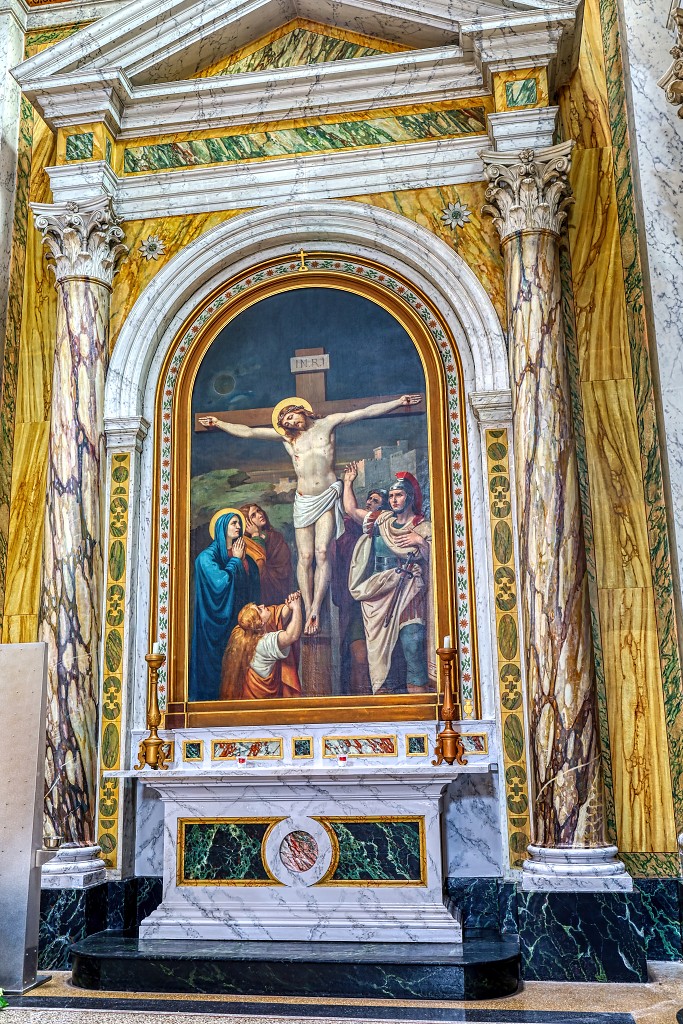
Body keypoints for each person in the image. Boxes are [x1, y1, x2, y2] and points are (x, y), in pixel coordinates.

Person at [198, 393, 421, 635]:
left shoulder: (329, 423)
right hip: (304, 501)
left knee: (322, 551)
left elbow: (365, 411)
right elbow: (250, 432)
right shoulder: (288, 439)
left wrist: (399, 402)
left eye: (291, 418)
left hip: (327, 496)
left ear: (301, 410)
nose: (290, 424)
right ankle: (305, 605)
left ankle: (315, 607)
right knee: (304, 557)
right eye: (286, 423)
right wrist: (219, 424)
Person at [348, 472, 435, 694]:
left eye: (400, 495)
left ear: (410, 497)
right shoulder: (382, 520)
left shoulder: (423, 527)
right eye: (393, 495)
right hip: (379, 592)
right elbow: (351, 511)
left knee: (412, 643)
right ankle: (384, 698)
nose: (395, 500)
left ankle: (418, 705)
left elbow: (438, 560)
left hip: (408, 589)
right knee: (378, 652)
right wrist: (347, 482)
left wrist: (420, 542)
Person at [189, 509, 260, 702]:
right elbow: (221, 584)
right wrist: (236, 560)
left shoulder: (242, 556)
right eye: (233, 523)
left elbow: (251, 586)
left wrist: (245, 563)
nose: (239, 526)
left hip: (237, 625)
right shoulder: (206, 558)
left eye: (239, 523)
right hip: (213, 628)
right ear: (222, 526)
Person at [335, 464, 391, 694]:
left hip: (385, 598)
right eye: (369, 500)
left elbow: (350, 509)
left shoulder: (386, 523)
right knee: (359, 656)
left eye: (376, 501)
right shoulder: (358, 527)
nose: (370, 503)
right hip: (362, 598)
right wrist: (347, 482)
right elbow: (350, 511)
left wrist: (348, 482)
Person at [220, 592, 303, 700]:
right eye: (259, 610)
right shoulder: (263, 644)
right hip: (263, 698)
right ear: (260, 623)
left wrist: (288, 607)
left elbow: (276, 617)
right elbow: (291, 636)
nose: (263, 606)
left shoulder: (249, 634)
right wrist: (296, 607)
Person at [239, 503, 293, 605]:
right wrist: (255, 535)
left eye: (259, 510)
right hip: (257, 592)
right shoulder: (245, 543)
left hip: (278, 586)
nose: (260, 515)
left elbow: (284, 565)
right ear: (246, 523)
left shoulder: (275, 537)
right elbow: (256, 569)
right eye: (253, 515)